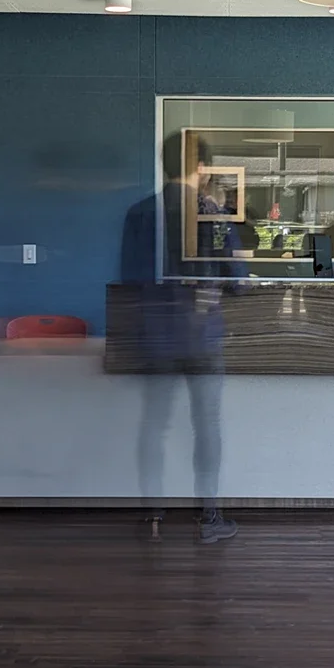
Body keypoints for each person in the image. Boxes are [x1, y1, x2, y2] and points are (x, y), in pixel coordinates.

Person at [118, 133, 238, 543]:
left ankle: (152, 516)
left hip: (156, 337)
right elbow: (236, 282)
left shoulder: (139, 213)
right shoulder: (213, 215)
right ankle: (209, 519)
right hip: (202, 336)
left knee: (154, 425)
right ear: (201, 168)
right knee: (206, 425)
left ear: (165, 164)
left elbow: (129, 280)